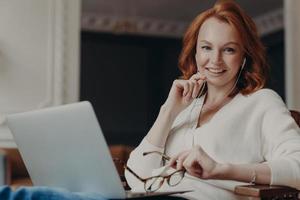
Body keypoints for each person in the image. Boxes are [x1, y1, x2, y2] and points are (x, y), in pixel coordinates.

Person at [124, 0, 300, 199]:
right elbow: (136, 178)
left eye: (229, 49)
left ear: (244, 57)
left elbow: (297, 167)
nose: (215, 60)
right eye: (207, 47)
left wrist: (222, 169)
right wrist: (168, 111)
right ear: (195, 52)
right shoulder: (184, 107)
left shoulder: (262, 102)